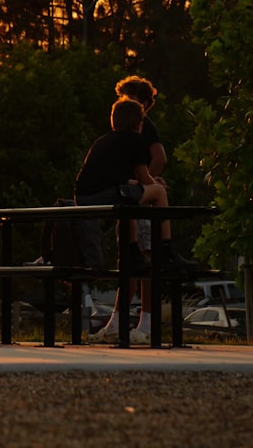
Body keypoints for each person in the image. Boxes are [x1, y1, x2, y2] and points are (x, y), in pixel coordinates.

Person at [73, 96, 195, 344]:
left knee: (129, 201)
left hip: (84, 198)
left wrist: (138, 185)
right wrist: (153, 183)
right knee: (158, 193)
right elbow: (145, 179)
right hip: (108, 197)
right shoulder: (135, 140)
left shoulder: (102, 141)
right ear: (139, 123)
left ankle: (131, 251)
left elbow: (113, 181)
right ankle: (166, 248)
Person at [112, 76, 166, 340]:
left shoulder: (145, 127)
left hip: (139, 199)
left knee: (145, 255)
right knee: (129, 256)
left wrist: (146, 186)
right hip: (126, 199)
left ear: (144, 104)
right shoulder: (124, 129)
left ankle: (146, 319)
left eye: (131, 99)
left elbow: (159, 157)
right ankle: (118, 318)